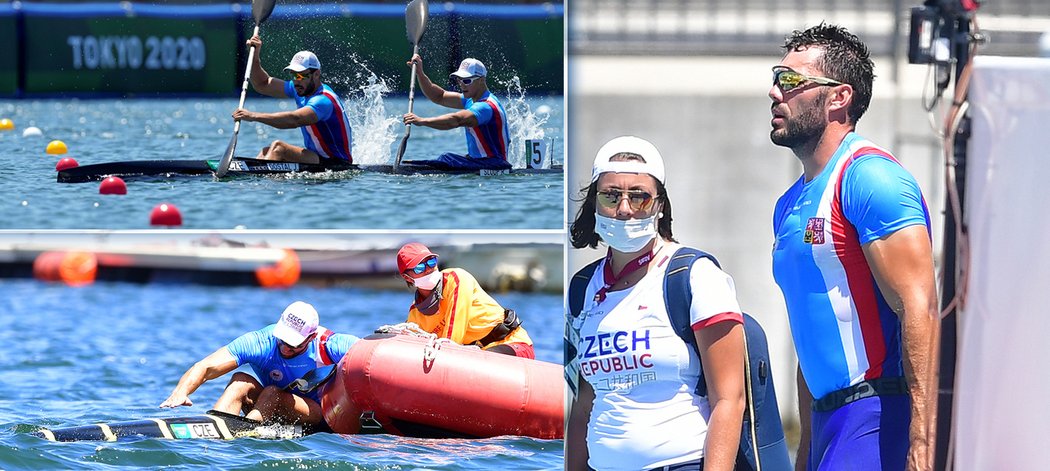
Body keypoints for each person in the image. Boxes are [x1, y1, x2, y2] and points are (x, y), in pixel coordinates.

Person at [768, 24, 939, 471]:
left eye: (789, 81)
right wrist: (806, 448)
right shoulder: (789, 205)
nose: (773, 92)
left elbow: (919, 308)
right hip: (828, 424)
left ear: (838, 97)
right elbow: (810, 331)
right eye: (775, 78)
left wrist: (921, 444)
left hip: (878, 417)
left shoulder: (869, 179)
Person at [566, 136, 746, 471]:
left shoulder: (696, 276)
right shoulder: (581, 289)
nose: (624, 208)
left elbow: (730, 400)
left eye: (639, 196)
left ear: (659, 204)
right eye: (611, 195)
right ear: (594, 202)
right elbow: (582, 406)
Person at [159, 301, 358, 430]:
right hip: (269, 407)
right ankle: (214, 434)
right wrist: (181, 392)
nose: (285, 347)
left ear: (311, 337)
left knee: (272, 393)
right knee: (239, 382)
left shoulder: (330, 344)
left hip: (320, 415)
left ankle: (248, 431)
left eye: (293, 343)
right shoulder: (261, 342)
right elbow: (206, 367)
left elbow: (374, 355)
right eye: (282, 339)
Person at [395, 242, 534, 358]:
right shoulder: (415, 314)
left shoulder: (456, 279)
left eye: (431, 262)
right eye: (420, 267)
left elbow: (449, 343)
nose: (428, 269)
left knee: (480, 360)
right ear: (407, 277)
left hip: (511, 344)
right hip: (476, 355)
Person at [231, 35, 353, 165]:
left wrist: (253, 116)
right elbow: (263, 83)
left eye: (301, 75)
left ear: (316, 74)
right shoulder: (300, 88)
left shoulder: (323, 101)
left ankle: (260, 179)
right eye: (294, 75)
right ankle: (254, 178)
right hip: (317, 157)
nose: (296, 80)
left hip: (337, 163)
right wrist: (254, 55)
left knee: (279, 148)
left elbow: (294, 120)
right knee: (267, 151)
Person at [401, 56, 511, 171]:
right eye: (459, 80)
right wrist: (420, 73)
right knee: (447, 159)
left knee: (447, 158)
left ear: (482, 80)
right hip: (480, 162)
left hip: (495, 165)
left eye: (467, 81)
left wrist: (422, 121)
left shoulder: (486, 106)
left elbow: (456, 120)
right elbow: (439, 96)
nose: (462, 85)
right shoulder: (470, 99)